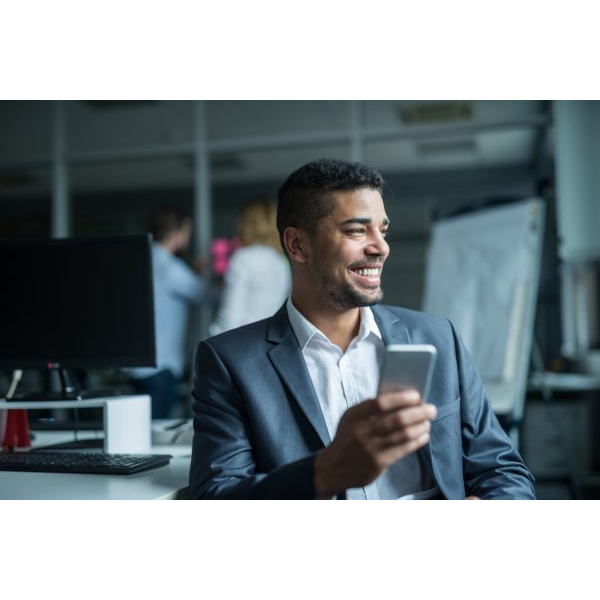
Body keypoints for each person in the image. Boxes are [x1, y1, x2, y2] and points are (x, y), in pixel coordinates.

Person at [189, 158, 536, 499]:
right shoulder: (229, 362)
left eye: (382, 230)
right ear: (297, 245)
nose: (381, 247)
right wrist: (323, 473)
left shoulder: (438, 337)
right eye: (356, 230)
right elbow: (217, 499)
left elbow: (503, 471)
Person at [130, 207, 214, 419]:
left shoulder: (141, 260)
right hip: (161, 367)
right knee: (155, 434)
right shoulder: (170, 267)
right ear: (175, 233)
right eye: (187, 231)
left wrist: (191, 274)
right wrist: (228, 282)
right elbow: (206, 296)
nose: (188, 237)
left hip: (137, 364)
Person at [209, 198, 291, 335]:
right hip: (269, 343)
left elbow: (229, 320)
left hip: (240, 346)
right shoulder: (281, 262)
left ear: (245, 225)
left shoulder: (242, 258)